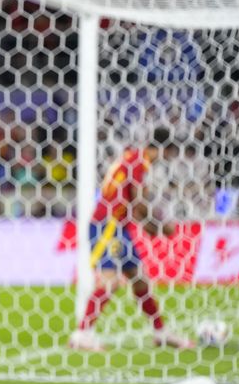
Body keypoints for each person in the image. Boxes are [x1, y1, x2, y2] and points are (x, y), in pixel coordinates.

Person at [69, 127, 195, 351]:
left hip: (120, 227)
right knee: (110, 281)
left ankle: (160, 332)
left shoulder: (133, 158)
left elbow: (131, 199)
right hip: (107, 226)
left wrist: (147, 224)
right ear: (166, 150)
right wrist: (158, 225)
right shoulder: (139, 162)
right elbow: (138, 200)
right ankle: (82, 333)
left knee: (140, 280)